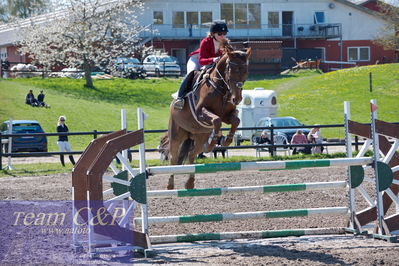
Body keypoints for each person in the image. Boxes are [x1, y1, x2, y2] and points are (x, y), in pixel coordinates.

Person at [174, 20, 229, 110]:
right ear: (213, 34)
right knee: (191, 73)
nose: (223, 36)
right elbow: (202, 60)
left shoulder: (225, 43)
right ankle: (180, 98)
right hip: (196, 60)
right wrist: (213, 59)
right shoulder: (205, 41)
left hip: (211, 64)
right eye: (220, 34)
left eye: (224, 33)